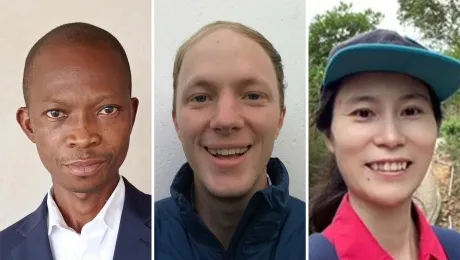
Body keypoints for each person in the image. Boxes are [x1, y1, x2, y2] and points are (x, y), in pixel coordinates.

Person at [154, 21, 306, 259]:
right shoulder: (137, 240)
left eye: (253, 95)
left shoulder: (318, 240)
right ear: (177, 123)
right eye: (201, 97)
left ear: (279, 119)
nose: (226, 120)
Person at [0, 22, 151, 260]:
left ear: (131, 115)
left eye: (107, 110)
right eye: (56, 114)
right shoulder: (4, 250)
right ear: (28, 125)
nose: (83, 138)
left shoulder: (176, 235)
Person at [309, 29, 460, 259]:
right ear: (330, 135)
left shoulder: (454, 249)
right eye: (364, 113)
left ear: (436, 127)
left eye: (411, 111)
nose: (391, 138)